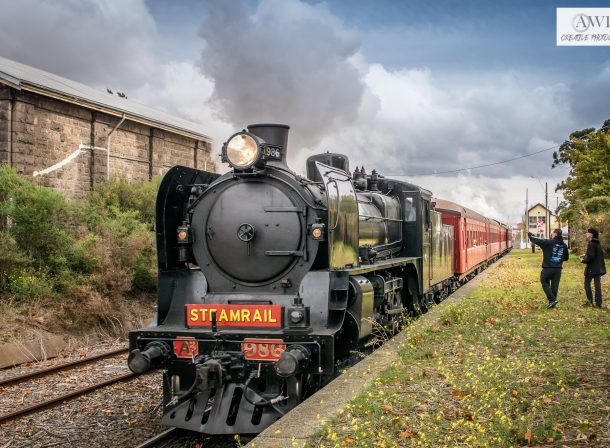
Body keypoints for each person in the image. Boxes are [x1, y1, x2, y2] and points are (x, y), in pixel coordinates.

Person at [528, 229, 569, 308]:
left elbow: (539, 241)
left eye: (552, 232)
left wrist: (531, 237)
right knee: (555, 285)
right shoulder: (564, 245)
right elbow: (566, 258)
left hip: (547, 268)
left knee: (544, 282)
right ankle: (552, 302)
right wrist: (558, 258)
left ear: (555, 234)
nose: (551, 234)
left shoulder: (549, 242)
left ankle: (552, 300)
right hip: (558, 269)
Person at [580, 227, 606, 308]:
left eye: (587, 232)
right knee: (597, 285)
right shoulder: (598, 243)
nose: (586, 234)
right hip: (598, 268)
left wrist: (583, 260)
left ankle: (590, 301)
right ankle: (599, 303)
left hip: (592, 268)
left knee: (587, 284)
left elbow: (591, 257)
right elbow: (597, 255)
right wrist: (586, 255)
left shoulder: (591, 244)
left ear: (591, 234)